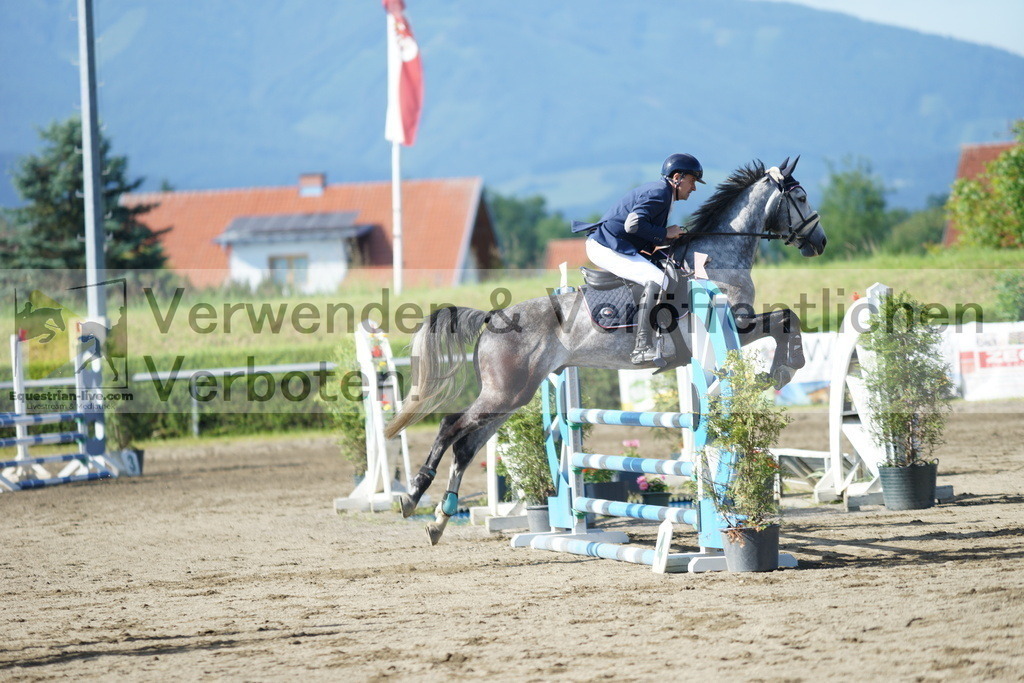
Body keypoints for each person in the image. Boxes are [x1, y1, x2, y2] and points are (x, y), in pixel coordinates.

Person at [571, 153, 705, 364]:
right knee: (660, 280)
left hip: (614, 245)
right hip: (606, 247)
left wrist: (669, 238)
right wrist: (665, 233)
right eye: (692, 181)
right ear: (678, 177)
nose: (694, 188)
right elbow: (632, 224)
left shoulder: (663, 195)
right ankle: (642, 346)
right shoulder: (660, 192)